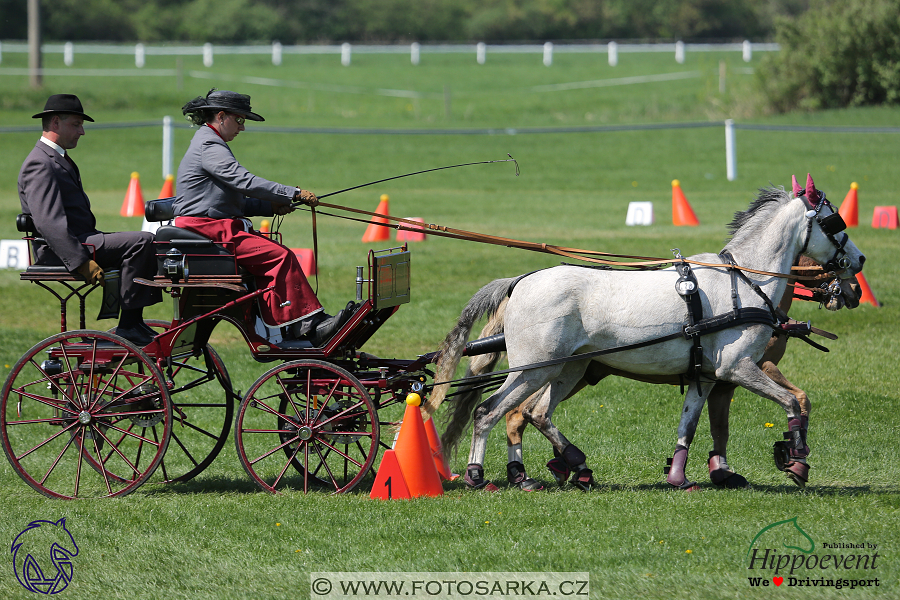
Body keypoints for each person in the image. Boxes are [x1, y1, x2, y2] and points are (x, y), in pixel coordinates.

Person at [173, 89, 350, 347]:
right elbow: (242, 181)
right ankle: (306, 326)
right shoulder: (209, 145)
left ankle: (297, 324)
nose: (242, 128)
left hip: (216, 226)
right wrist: (293, 192)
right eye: (240, 120)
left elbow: (226, 200)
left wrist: (271, 206)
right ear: (221, 117)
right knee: (280, 256)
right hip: (207, 230)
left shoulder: (209, 142)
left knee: (278, 252)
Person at [18, 94, 162, 346]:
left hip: (79, 241)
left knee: (143, 242)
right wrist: (81, 262)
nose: (82, 132)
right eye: (76, 124)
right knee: (142, 241)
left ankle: (134, 322)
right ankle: (129, 325)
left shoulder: (55, 158)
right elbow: (49, 223)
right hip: (60, 251)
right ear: (55, 122)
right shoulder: (40, 163)